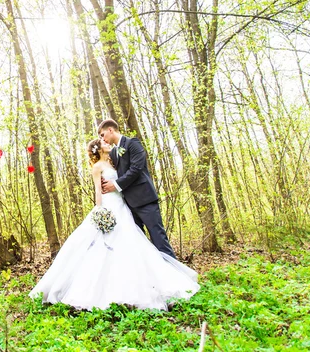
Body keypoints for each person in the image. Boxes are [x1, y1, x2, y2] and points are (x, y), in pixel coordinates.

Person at [29, 138, 199, 311]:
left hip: (122, 207)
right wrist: (100, 211)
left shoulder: (114, 164)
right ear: (98, 149)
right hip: (108, 207)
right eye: (104, 143)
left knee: (131, 243)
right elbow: (98, 190)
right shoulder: (98, 167)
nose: (107, 144)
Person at [99, 118, 176, 258]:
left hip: (145, 200)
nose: (102, 139)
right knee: (139, 243)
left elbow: (136, 169)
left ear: (110, 130)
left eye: (103, 134)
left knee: (159, 238)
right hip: (128, 206)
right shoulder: (114, 153)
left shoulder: (132, 143)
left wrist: (115, 185)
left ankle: (174, 273)